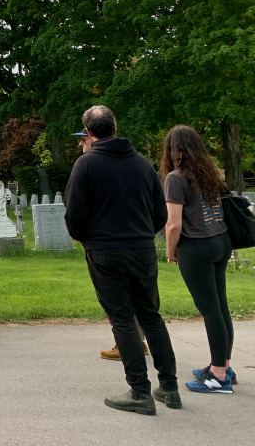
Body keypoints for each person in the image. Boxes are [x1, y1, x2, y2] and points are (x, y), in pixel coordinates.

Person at [64, 105, 179, 414]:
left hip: (104, 250)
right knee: (150, 316)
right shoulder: (142, 163)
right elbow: (159, 212)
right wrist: (141, 233)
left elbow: (74, 214)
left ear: (89, 132)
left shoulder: (85, 165)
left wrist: (88, 238)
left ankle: (140, 391)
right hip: (141, 248)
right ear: (115, 127)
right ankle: (169, 387)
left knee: (123, 319)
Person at [162, 125, 235, 394]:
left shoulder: (175, 178)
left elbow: (173, 224)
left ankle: (218, 377)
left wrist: (170, 251)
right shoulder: (209, 172)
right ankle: (223, 366)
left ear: (172, 149)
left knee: (210, 310)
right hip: (221, 241)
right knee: (221, 307)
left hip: (197, 247)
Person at [73, 130, 150, 363]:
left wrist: (85, 238)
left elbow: (75, 209)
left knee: (117, 302)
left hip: (106, 244)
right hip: (139, 242)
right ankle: (139, 342)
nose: (80, 144)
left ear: (93, 137)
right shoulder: (137, 162)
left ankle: (127, 346)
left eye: (83, 139)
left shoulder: (89, 165)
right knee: (139, 299)